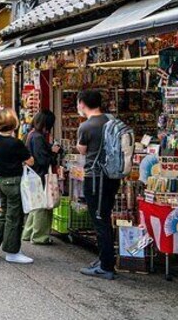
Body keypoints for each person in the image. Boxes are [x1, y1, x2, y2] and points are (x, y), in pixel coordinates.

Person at [0, 108, 35, 264]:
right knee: (14, 217)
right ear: (15, 124)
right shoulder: (15, 143)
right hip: (13, 182)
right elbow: (30, 160)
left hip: (0, 181)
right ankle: (12, 252)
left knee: (5, 214)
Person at [76, 90, 118, 280]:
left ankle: (106, 266)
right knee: (105, 216)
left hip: (96, 178)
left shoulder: (86, 126)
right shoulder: (111, 120)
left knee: (99, 219)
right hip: (112, 176)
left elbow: (82, 150)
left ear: (82, 103)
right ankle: (104, 259)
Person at [22, 109, 61, 246]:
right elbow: (43, 160)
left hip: (32, 175)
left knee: (36, 205)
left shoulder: (30, 134)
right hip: (40, 175)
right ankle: (40, 236)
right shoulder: (38, 137)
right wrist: (54, 154)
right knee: (43, 206)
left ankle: (28, 233)